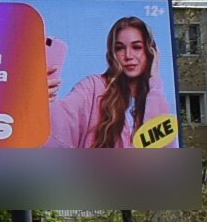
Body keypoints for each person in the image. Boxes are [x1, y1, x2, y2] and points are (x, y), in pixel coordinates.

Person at [50, 15, 168, 149]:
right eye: (119, 48)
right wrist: (42, 101)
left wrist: (155, 82)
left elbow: (164, 148)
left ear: (150, 51)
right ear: (112, 53)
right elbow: (61, 127)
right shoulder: (93, 87)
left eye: (136, 47)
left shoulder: (155, 96)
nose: (128, 55)